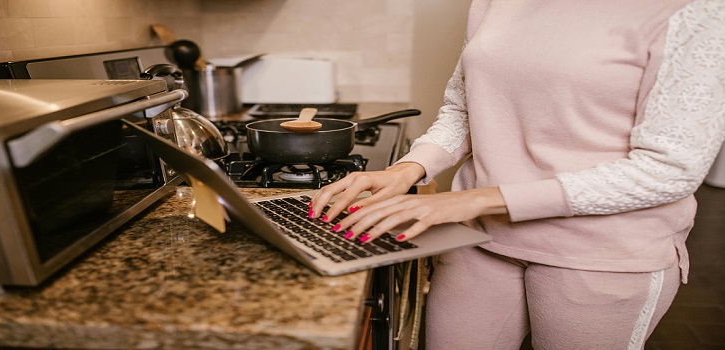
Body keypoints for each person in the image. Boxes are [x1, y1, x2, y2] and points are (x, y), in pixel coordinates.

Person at [309, 0, 725, 348]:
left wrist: (471, 199)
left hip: (601, 255)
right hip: (479, 238)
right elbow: (464, 107)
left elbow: (670, 169)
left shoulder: (693, 9)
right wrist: (409, 169)